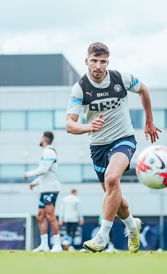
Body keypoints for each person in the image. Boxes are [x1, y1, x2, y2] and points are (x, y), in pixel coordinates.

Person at [65, 43, 159, 253]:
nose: (98, 66)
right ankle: (133, 226)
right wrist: (89, 126)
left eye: (103, 61)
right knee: (115, 197)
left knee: (111, 179)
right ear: (87, 61)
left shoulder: (121, 79)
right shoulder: (80, 88)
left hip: (123, 139)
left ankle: (101, 237)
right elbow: (69, 125)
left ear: (108, 62)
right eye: (94, 61)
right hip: (98, 146)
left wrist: (149, 120)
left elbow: (143, 90)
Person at [24, 132, 62, 252]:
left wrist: (28, 174)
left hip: (51, 189)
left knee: (50, 216)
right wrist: (35, 183)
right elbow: (45, 173)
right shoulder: (46, 152)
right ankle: (44, 245)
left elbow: (43, 169)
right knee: (40, 216)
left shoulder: (49, 151)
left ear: (44, 139)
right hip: (44, 189)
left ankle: (57, 245)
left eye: (41, 138)